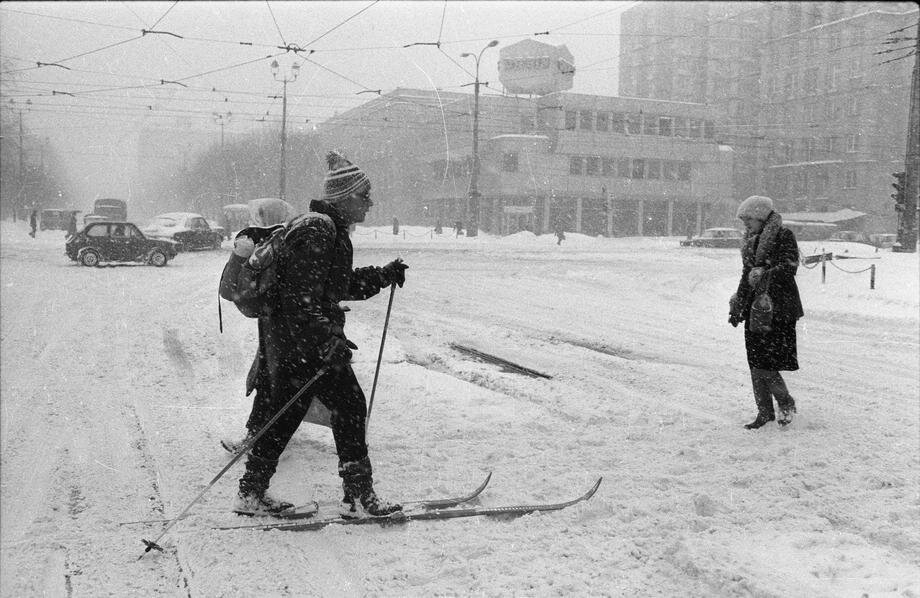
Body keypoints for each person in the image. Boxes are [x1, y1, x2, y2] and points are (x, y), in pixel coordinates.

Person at [232, 151, 408, 518]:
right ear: (344, 196)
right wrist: (328, 340)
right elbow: (301, 298)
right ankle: (358, 497)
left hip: (297, 342)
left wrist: (383, 275)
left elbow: (334, 285)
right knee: (343, 408)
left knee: (291, 415)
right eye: (365, 195)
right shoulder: (318, 230)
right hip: (305, 344)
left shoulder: (327, 230)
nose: (370, 203)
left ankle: (253, 493)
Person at [219, 197, 297, 455]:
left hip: (286, 331)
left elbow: (235, 293)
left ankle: (265, 444)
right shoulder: (271, 244)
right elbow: (232, 292)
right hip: (278, 330)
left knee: (280, 388)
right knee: (271, 385)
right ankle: (259, 437)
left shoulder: (279, 245)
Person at [728, 195, 804, 430]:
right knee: (756, 364)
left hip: (779, 308)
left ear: (760, 217)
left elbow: (790, 267)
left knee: (766, 364)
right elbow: (746, 274)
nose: (745, 226)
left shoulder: (783, 235)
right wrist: (738, 305)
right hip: (756, 310)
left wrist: (765, 273)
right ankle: (764, 413)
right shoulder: (751, 240)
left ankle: (786, 403)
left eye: (748, 220)